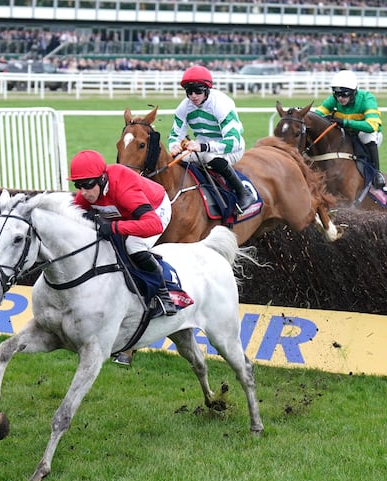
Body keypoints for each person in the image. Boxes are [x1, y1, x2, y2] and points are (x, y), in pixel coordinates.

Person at [70, 150, 175, 365]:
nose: (84, 192)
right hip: (127, 212)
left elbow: (152, 224)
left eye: (88, 184)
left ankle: (164, 294)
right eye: (78, 185)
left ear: (101, 179)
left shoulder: (123, 186)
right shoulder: (88, 191)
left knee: (133, 245)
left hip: (155, 209)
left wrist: (115, 227)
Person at [167, 64, 256, 214]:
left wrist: (203, 147)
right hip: (201, 147)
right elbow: (175, 134)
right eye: (189, 91)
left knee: (208, 156)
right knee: (178, 159)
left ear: (207, 89)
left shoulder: (221, 104)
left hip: (231, 149)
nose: (193, 96)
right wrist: (174, 145)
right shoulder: (184, 107)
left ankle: (243, 193)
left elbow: (233, 141)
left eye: (198, 91)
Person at [314, 69, 386, 189]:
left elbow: (372, 126)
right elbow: (316, 115)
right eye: (337, 94)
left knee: (366, 136)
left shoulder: (367, 99)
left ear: (353, 92)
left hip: (367, 135)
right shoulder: (334, 100)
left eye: (344, 94)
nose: (340, 98)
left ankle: (376, 174)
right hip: (346, 134)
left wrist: (345, 122)